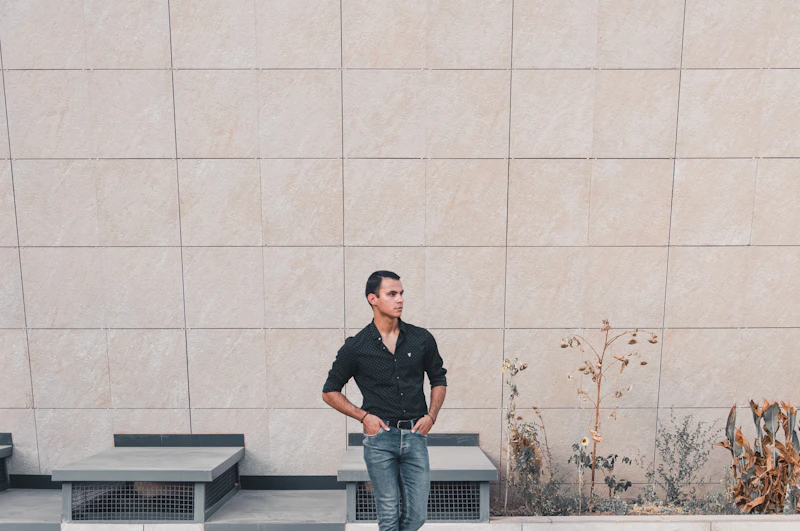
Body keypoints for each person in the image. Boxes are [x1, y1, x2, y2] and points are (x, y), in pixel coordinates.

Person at [322, 270, 447, 531]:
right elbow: (330, 391)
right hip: (380, 438)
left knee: (417, 516)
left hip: (415, 435)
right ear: (373, 299)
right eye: (391, 294)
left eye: (401, 293)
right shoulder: (356, 347)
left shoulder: (421, 339)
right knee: (388, 517)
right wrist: (364, 417)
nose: (400, 299)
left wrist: (431, 416)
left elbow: (438, 378)